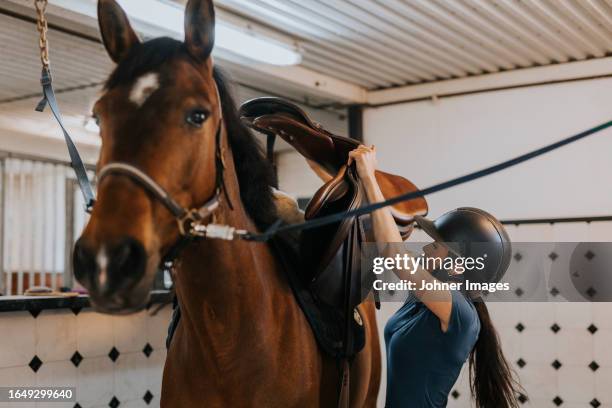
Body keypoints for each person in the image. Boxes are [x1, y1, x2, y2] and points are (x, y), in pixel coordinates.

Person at [344, 145, 523, 408]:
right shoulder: (421, 301)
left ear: (458, 264)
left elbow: (395, 255)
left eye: (437, 245)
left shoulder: (461, 314)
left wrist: (370, 177)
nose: (427, 248)